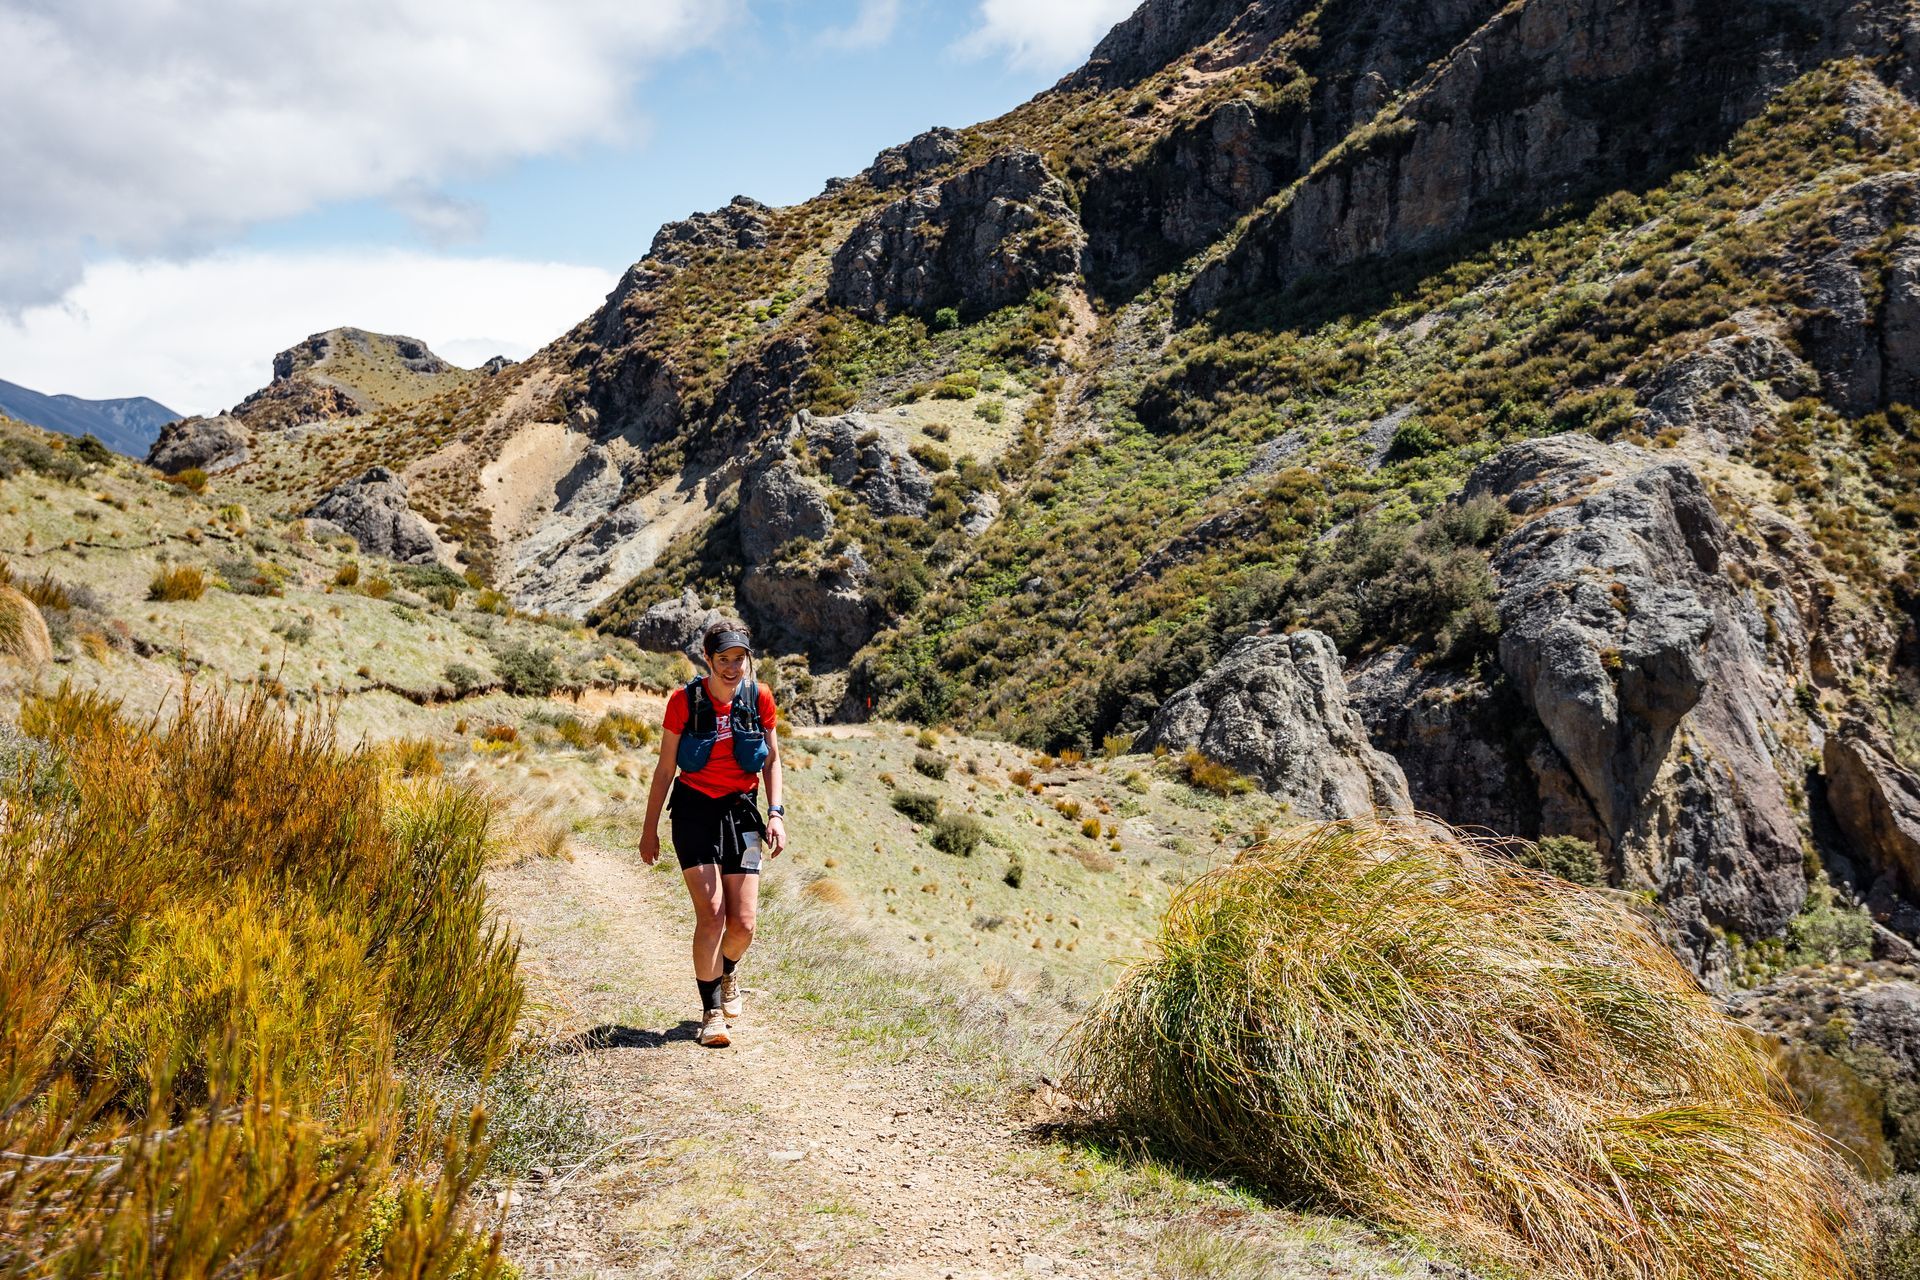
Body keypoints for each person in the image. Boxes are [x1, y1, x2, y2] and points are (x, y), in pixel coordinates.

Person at [640, 620, 786, 1048]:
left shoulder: (759, 698)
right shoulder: (683, 702)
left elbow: (772, 760)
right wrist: (649, 830)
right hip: (693, 810)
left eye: (739, 658)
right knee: (713, 914)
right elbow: (666, 768)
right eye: (723, 659)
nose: (732, 667)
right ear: (708, 658)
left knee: (743, 924)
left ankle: (727, 972)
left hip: (742, 812)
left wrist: (775, 813)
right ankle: (711, 1012)